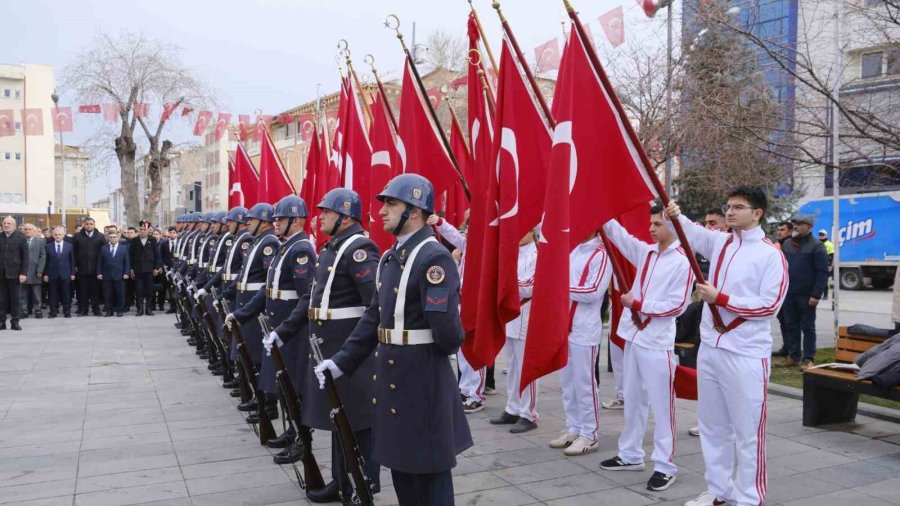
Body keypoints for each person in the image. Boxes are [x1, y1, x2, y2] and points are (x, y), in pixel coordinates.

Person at [314, 174, 472, 505]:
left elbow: (448, 335)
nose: (382, 211)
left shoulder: (434, 259)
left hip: (423, 379)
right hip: (392, 376)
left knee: (430, 474)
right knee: (402, 469)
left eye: (391, 203)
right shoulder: (390, 258)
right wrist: (341, 362)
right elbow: (373, 317)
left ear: (414, 211)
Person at [668, 186, 788, 506]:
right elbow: (689, 232)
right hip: (710, 348)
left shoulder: (770, 254)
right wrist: (673, 212)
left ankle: (749, 497)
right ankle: (719, 490)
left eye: (738, 207)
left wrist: (721, 299)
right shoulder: (721, 242)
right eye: (728, 206)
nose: (730, 212)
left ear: (757, 213)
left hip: (746, 352)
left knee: (748, 431)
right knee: (712, 426)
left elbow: (769, 305)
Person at [266, 189, 382, 501]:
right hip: (329, 348)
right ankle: (341, 480)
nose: (320, 218)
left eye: (327, 213)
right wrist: (284, 331)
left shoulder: (359, 248)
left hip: (351, 351)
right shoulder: (333, 247)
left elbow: (375, 306)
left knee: (359, 423)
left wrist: (358, 350)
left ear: (345, 217)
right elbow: (311, 299)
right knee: (338, 418)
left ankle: (364, 484)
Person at [597, 205, 693, 492]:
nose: (651, 229)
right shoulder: (648, 253)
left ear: (673, 226)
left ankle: (665, 465)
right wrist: (600, 211)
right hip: (635, 338)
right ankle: (630, 454)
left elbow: (676, 306)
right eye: (650, 223)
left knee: (662, 406)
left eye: (657, 224)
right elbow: (621, 237)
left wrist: (637, 304)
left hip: (657, 343)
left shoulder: (683, 261)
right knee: (634, 398)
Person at [550, 230, 612, 457]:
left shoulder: (601, 255)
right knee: (567, 382)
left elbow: (594, 291)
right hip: (565, 326)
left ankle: (589, 434)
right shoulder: (574, 250)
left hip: (585, 328)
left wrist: (560, 288)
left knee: (585, 383)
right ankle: (573, 427)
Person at [425, 213, 489, 413]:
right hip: (462, 300)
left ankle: (476, 394)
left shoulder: (485, 247)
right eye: (467, 228)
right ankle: (465, 389)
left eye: (472, 228)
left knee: (475, 348)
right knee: (462, 348)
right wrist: (440, 222)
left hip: (477, 303)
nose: (467, 232)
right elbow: (452, 234)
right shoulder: (467, 243)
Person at [223, 203, 280, 422]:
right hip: (246, 303)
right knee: (248, 354)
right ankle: (258, 397)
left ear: (263, 221)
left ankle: (268, 403)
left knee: (257, 358)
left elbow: (269, 279)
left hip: (257, 309)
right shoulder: (258, 241)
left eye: (251, 220)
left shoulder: (269, 243)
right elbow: (242, 276)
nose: (247, 223)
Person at [489, 230, 540, 433]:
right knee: (512, 366)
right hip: (510, 316)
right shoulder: (512, 254)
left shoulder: (537, 255)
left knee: (527, 367)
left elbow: (531, 286)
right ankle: (513, 407)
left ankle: (529, 413)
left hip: (526, 315)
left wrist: (506, 285)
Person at [780, 215, 828, 369]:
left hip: (807, 295)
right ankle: (793, 357)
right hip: (789, 293)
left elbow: (822, 272)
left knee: (808, 327)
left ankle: (808, 358)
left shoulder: (816, 246)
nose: (796, 226)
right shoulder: (787, 244)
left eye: (800, 224)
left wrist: (816, 295)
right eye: (795, 223)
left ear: (809, 227)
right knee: (791, 325)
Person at [73, 217, 105, 316]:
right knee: (83, 291)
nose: (89, 225)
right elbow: (73, 252)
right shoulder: (77, 236)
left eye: (91, 224)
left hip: (96, 269)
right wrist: (75, 266)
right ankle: (83, 310)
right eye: (87, 224)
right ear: (84, 225)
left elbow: (104, 253)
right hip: (82, 269)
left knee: (95, 291)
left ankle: (96, 310)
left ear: (94, 225)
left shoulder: (100, 236)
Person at [0, 216, 28, 330]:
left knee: (15, 299)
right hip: (1, 274)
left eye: (9, 223)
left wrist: (23, 273)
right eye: (4, 223)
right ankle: (2, 322)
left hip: (15, 274)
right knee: (1, 300)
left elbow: (25, 257)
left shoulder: (21, 238)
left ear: (14, 226)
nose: (6, 225)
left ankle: (15, 321)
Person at [129, 221, 162, 316]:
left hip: (149, 269)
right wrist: (131, 268)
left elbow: (157, 255)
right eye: (141, 229)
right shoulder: (134, 241)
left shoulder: (152, 240)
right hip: (138, 269)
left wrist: (156, 268)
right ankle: (139, 309)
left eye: (145, 229)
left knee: (149, 290)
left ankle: (148, 308)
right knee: (138, 290)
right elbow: (130, 255)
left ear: (148, 230)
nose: (143, 231)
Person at [97, 229, 130, 317]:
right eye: (110, 237)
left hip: (120, 275)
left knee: (120, 294)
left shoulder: (123, 248)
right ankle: (109, 311)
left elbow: (127, 262)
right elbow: (100, 262)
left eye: (114, 237)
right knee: (107, 295)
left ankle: (119, 310)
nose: (112, 239)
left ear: (118, 238)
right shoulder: (103, 248)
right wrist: (99, 273)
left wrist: (126, 273)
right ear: (108, 238)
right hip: (107, 275)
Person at [45, 226, 75, 318]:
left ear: (63, 235)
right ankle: (53, 312)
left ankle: (67, 312)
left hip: (65, 274)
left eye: (59, 235)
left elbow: (72, 261)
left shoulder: (69, 246)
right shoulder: (48, 246)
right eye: (56, 234)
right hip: (52, 274)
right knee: (52, 294)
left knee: (66, 294)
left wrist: (72, 273)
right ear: (53, 235)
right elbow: (46, 261)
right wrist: (46, 274)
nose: (58, 236)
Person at [20, 224, 47, 319]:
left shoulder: (40, 242)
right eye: (25, 229)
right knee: (23, 293)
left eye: (29, 229)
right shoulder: (20, 241)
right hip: (23, 272)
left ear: (34, 231)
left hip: (35, 271)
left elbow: (43, 256)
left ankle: (38, 311)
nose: (27, 231)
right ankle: (24, 311)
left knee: (36, 293)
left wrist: (40, 269)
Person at [818, 229, 835, 300]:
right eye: (820, 235)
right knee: (818, 281)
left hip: (826, 264)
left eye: (822, 235)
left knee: (825, 281)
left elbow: (832, 255)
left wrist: (830, 265)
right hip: (818, 264)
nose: (821, 236)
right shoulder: (818, 243)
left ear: (826, 235)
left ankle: (825, 295)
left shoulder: (829, 244)